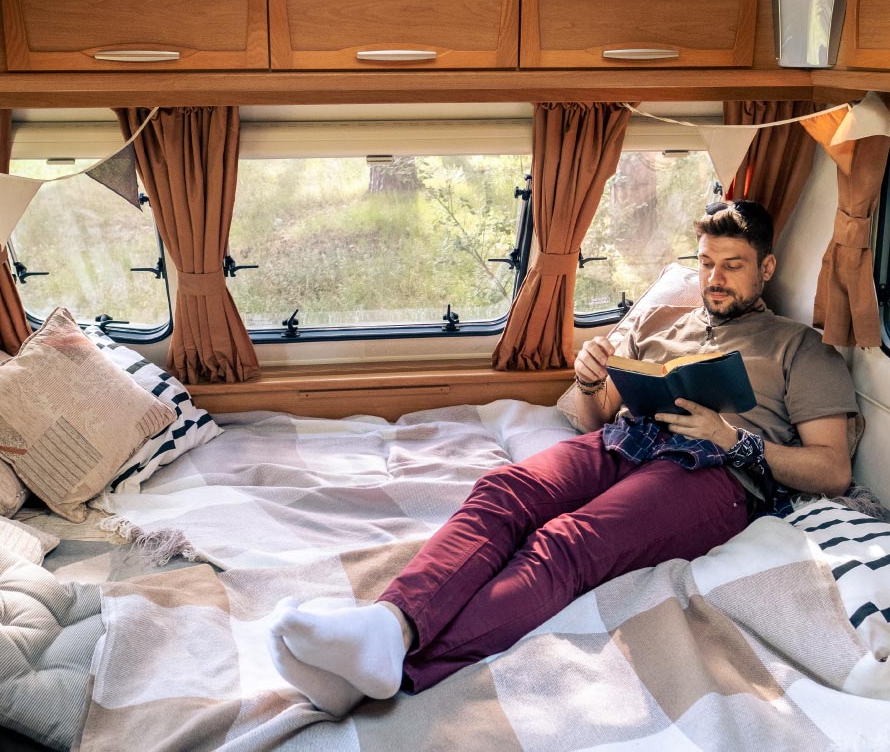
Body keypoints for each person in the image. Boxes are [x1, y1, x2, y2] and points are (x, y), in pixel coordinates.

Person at [268, 199, 858, 716]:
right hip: (628, 440)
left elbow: (832, 470)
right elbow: (596, 415)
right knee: (502, 491)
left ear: (766, 268)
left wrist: (733, 440)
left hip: (713, 474)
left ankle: (399, 671)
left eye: (732, 265)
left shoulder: (799, 348)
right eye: (706, 264)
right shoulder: (664, 326)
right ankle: (388, 624)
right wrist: (589, 378)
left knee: (566, 543)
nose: (715, 279)